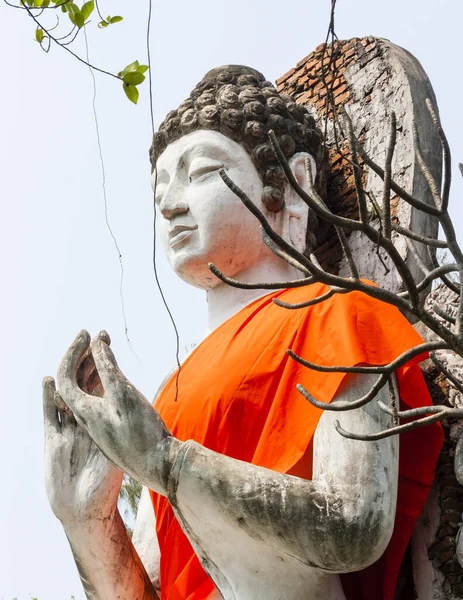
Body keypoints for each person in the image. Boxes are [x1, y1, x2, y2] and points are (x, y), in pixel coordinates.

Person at [43, 65, 443, 600]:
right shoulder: (171, 393)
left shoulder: (340, 315)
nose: (169, 204)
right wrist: (88, 520)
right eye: (161, 187)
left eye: (202, 172)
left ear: (290, 184)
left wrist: (166, 461)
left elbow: (354, 524)